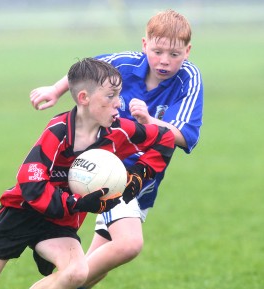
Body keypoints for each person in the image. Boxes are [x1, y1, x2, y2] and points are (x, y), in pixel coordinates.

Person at [0, 58, 175, 289]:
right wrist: (76, 203)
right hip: (21, 212)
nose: (118, 103)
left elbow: (164, 138)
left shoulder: (119, 131)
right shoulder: (58, 130)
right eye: (110, 96)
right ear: (84, 98)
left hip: (58, 222)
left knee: (77, 272)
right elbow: (30, 182)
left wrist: (138, 174)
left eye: (119, 95)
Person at [30, 9, 203, 289]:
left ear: (188, 51)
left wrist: (150, 122)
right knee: (128, 244)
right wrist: (54, 89)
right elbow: (87, 70)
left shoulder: (189, 80)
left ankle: (65, 283)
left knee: (97, 266)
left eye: (174, 54)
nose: (164, 61)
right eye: (157, 51)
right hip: (107, 170)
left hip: (144, 178)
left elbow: (184, 136)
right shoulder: (123, 63)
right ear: (145, 44)